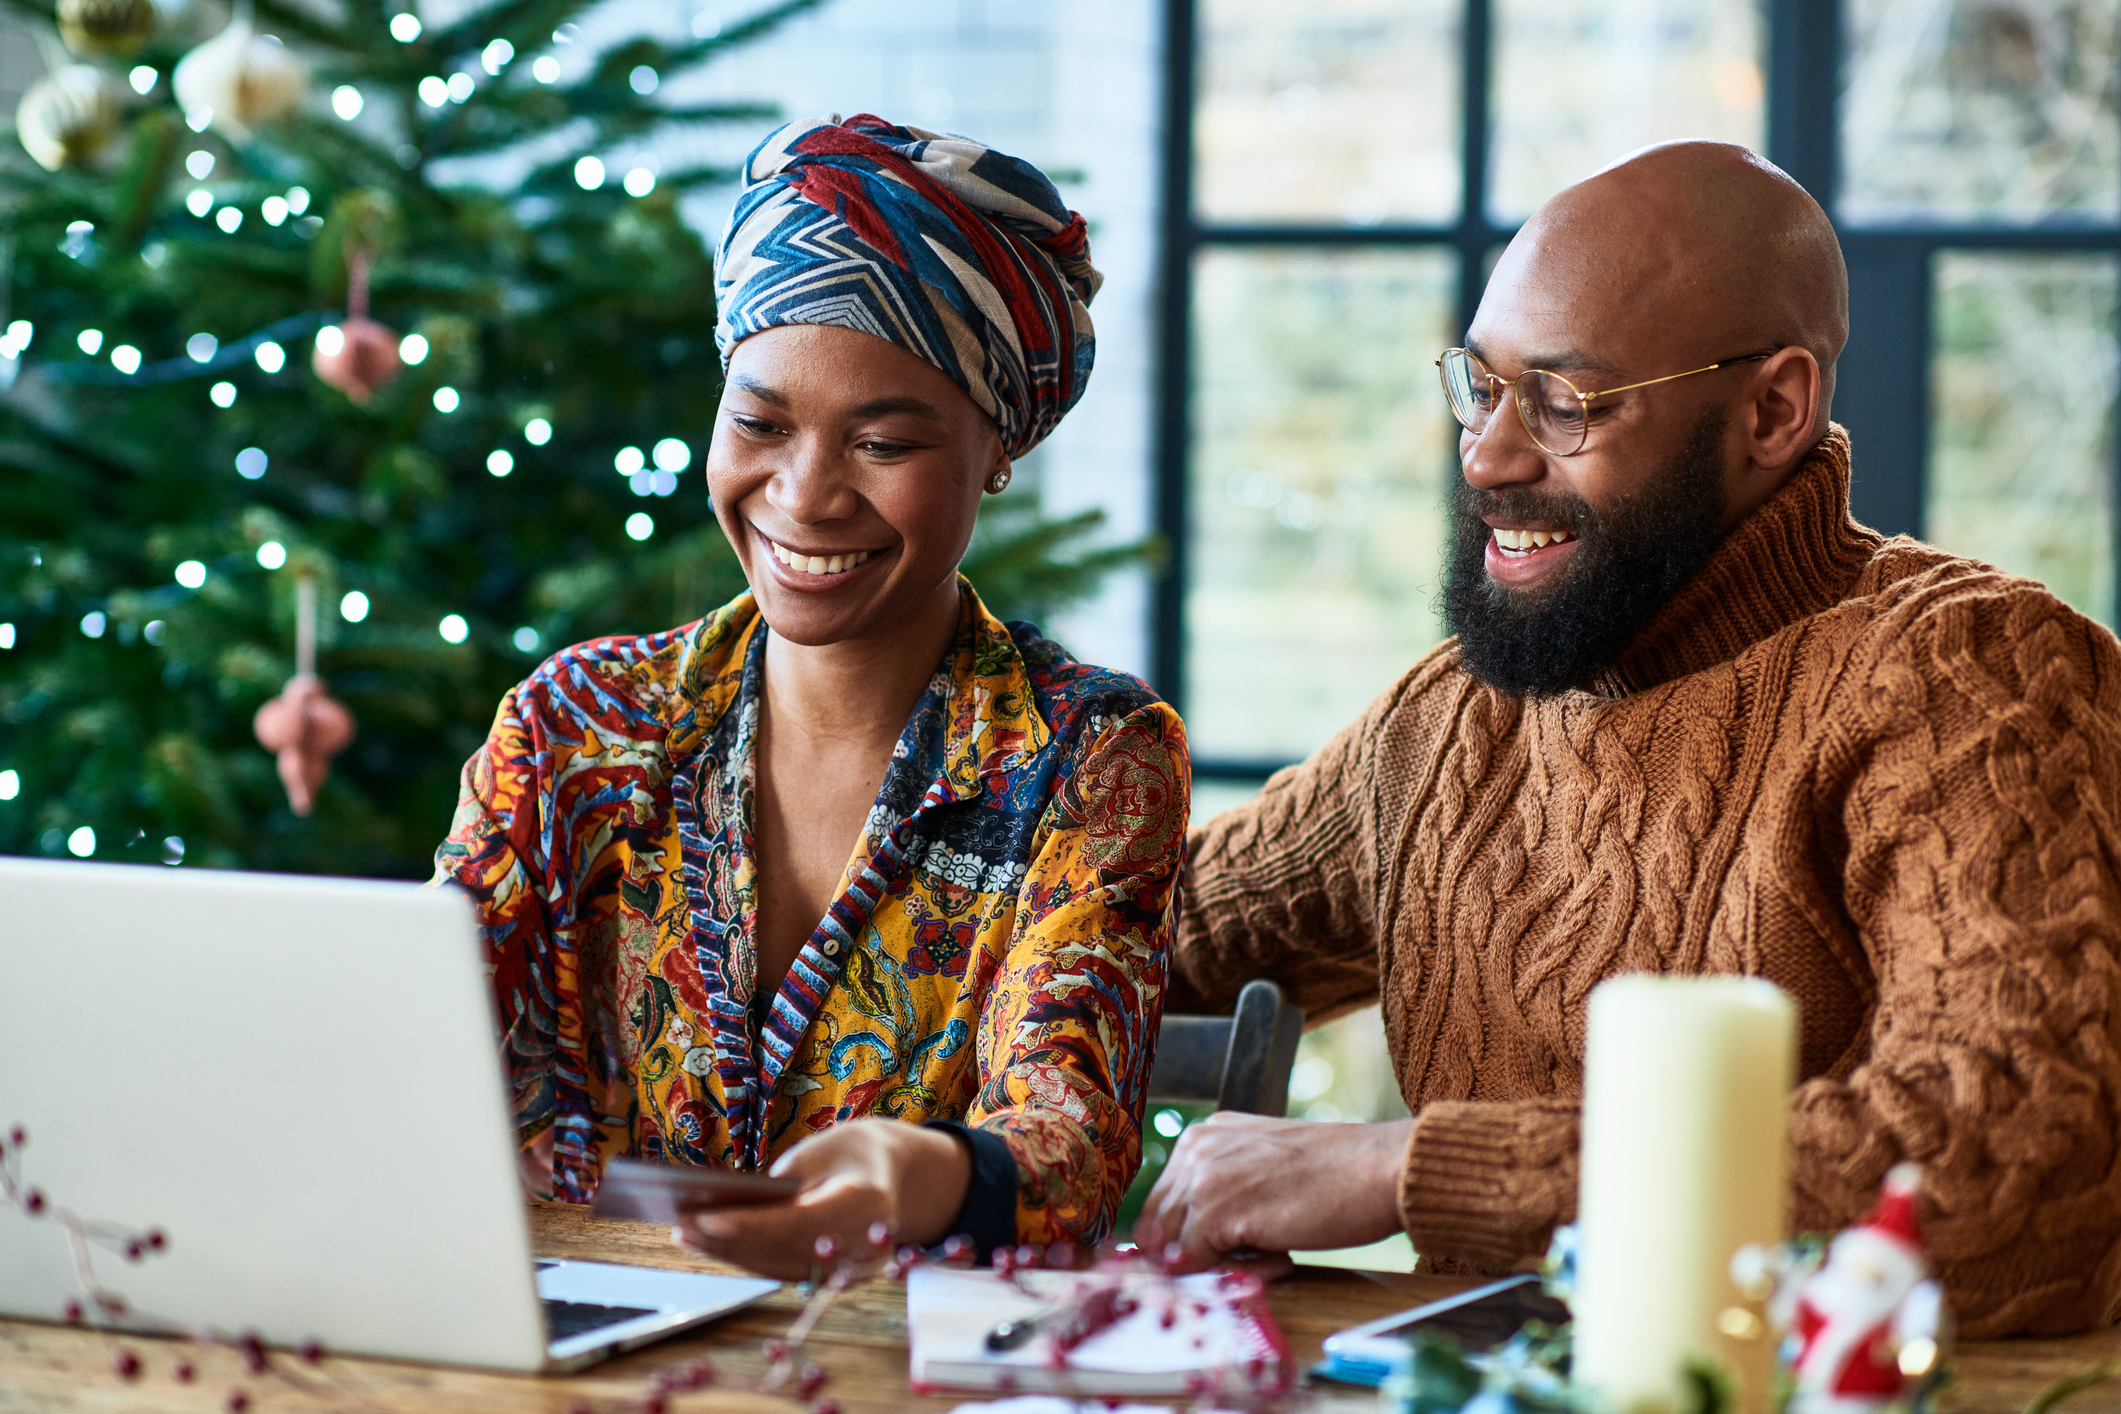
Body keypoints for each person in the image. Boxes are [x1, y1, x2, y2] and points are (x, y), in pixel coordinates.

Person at [1138, 141, 2121, 1337]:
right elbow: (1122, 930)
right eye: (1479, 386)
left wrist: (1405, 1168)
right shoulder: (1446, 725)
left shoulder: (1976, 678)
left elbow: (2011, 1161)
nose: (1488, 456)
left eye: (1564, 403)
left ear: (1772, 409)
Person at [435, 114, 1188, 1279]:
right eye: (760, 422)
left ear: (997, 449)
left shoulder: (1090, 756)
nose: (805, 494)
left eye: (883, 442)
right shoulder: (574, 724)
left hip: (891, 1365)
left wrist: (928, 1177)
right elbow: (410, 1035)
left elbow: (1070, 1134)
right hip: (562, 1344)